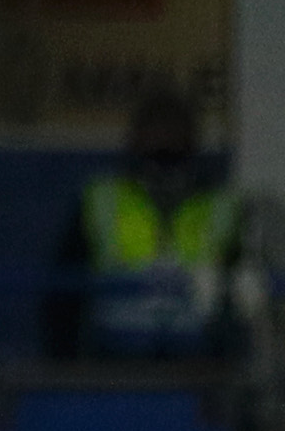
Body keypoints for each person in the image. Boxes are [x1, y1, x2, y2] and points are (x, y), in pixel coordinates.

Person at [48, 89, 241, 361]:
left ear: (192, 136)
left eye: (173, 126)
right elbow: (62, 290)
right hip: (117, 357)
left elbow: (241, 288)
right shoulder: (102, 198)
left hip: (196, 360)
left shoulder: (221, 205)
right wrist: (64, 363)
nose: (164, 137)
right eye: (154, 126)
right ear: (135, 136)